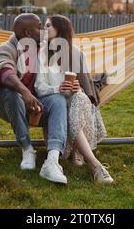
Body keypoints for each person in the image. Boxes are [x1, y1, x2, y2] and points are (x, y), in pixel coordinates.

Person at [0, 13, 70, 184]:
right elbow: (4, 70)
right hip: (10, 106)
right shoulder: (6, 48)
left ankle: (52, 161)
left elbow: (71, 52)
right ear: (28, 34)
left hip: (38, 105)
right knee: (11, 91)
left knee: (58, 100)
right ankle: (27, 148)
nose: (43, 30)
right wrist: (25, 92)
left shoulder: (44, 47)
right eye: (39, 26)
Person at [34, 15, 114, 184]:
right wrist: (58, 89)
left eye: (48, 25)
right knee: (65, 103)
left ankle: (93, 164)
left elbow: (87, 88)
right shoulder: (41, 54)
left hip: (77, 103)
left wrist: (77, 88)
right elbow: (39, 87)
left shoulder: (76, 53)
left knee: (78, 98)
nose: (44, 29)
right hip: (56, 105)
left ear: (60, 29)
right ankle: (94, 164)